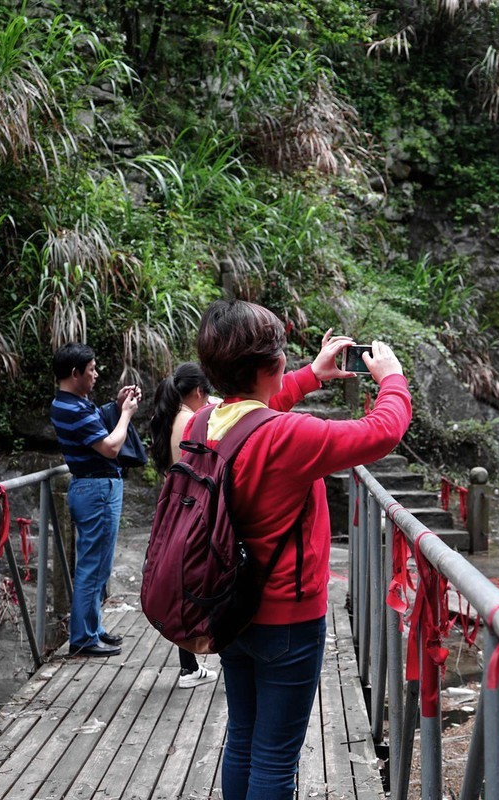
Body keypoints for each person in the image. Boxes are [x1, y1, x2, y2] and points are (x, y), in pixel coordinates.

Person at [192, 299, 411, 800]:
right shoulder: (286, 435)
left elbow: (257, 413)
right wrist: (392, 379)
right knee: (275, 757)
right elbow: (382, 431)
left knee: (244, 739)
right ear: (270, 365)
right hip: (287, 618)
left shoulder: (207, 423)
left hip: (227, 605)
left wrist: (311, 374)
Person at [50, 342, 141, 657]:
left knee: (98, 566)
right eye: (91, 370)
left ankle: (93, 628)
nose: (96, 375)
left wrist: (115, 405)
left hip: (93, 488)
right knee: (91, 567)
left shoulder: (71, 403)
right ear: (75, 373)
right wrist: (126, 415)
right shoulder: (72, 408)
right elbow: (110, 447)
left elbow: (96, 422)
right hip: (96, 491)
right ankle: (84, 639)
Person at [148, 361, 221, 689]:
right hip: (191, 508)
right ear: (196, 391)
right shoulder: (190, 419)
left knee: (183, 582)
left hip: (173, 505)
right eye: (205, 394)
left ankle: (189, 666)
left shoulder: (166, 415)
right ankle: (193, 665)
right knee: (197, 584)